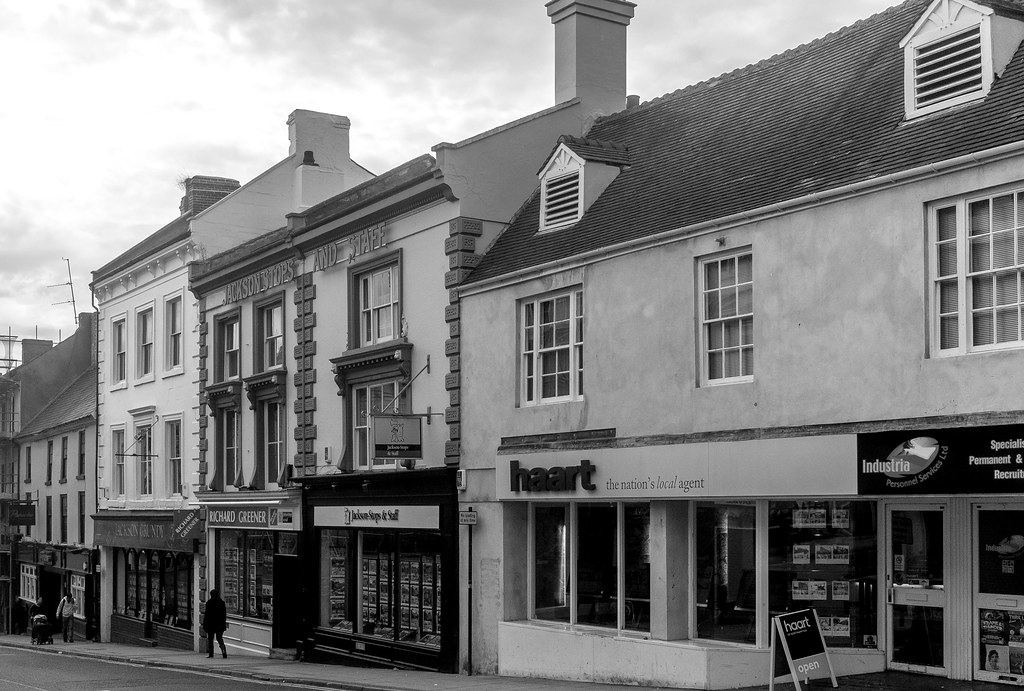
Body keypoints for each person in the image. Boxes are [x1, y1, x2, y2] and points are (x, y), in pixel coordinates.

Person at [202, 588, 227, 658]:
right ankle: (223, 650)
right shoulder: (221, 603)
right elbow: (224, 615)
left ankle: (211, 654)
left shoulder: (209, 603)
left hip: (211, 624)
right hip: (220, 624)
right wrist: (223, 623)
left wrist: (205, 624)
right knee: (219, 638)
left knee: (210, 639)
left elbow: (207, 615)